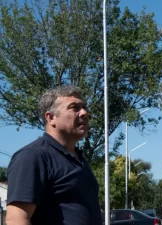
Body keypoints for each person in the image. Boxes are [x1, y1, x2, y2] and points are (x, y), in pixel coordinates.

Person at [6, 85, 102, 225]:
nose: (84, 113)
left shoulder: (78, 159)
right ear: (50, 117)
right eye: (74, 107)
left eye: (84, 107)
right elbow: (17, 219)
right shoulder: (33, 156)